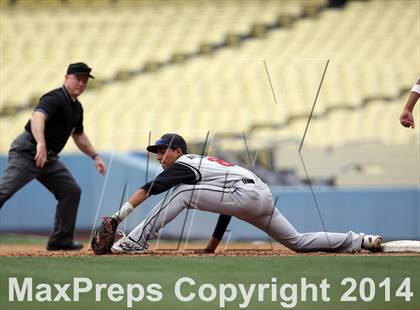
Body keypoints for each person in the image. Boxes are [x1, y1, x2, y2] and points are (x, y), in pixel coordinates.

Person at [108, 133, 382, 254]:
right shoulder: (202, 165)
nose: (158, 156)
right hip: (258, 194)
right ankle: (360, 241)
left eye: (162, 150)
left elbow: (148, 190)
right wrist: (213, 246)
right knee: (298, 242)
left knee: (181, 193)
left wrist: (117, 218)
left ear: (177, 150)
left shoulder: (184, 164)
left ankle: (136, 241)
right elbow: (226, 204)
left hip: (244, 194)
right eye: (156, 151)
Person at [0, 62, 107, 251]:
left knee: (71, 191)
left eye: (85, 81)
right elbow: (38, 117)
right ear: (66, 78)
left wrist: (95, 156)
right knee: (4, 192)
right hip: (28, 151)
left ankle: (61, 240)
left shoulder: (77, 108)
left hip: (49, 158)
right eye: (78, 79)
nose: (81, 84)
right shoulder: (55, 97)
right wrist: (41, 142)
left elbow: (78, 135)